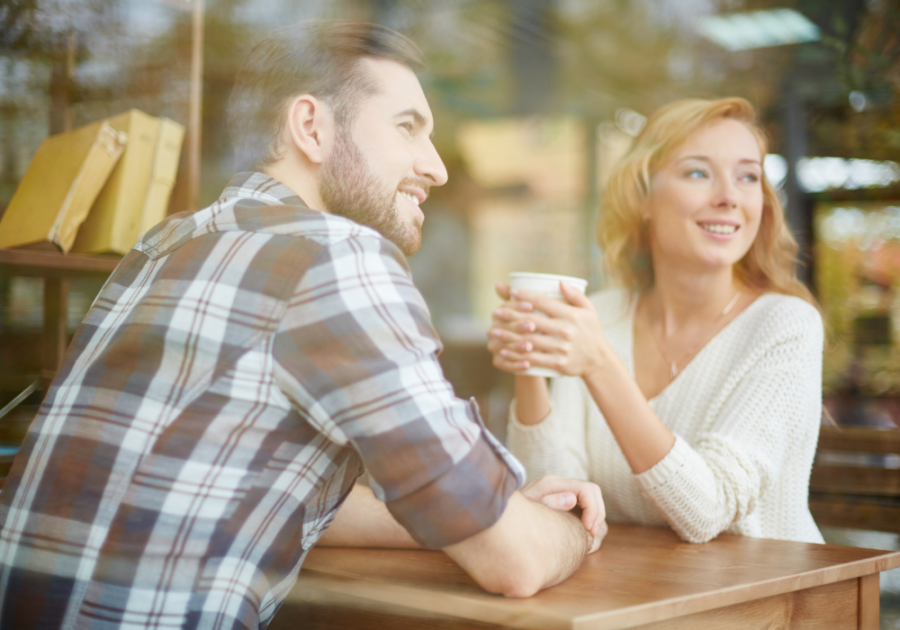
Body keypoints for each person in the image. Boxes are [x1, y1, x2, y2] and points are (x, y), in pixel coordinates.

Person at [0, 21, 607, 629]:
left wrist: (480, 509)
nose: (437, 167)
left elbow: (253, 489)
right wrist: (559, 529)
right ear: (312, 128)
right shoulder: (339, 256)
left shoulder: (167, 241)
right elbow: (517, 561)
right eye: (407, 128)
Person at [487, 97, 824, 545]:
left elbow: (709, 510)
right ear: (643, 197)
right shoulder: (602, 316)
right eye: (699, 173)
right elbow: (556, 491)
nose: (728, 197)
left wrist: (599, 365)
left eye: (748, 176)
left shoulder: (786, 326)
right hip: (635, 593)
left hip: (771, 605)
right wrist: (528, 365)